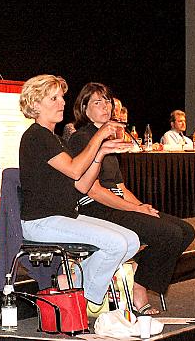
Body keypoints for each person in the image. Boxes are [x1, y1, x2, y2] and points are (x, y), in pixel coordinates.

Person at [68, 82, 195, 314]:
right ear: (84, 108)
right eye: (98, 102)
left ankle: (139, 273)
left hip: (116, 204)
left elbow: (119, 186)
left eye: (107, 101)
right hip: (95, 208)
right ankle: (139, 288)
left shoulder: (109, 137)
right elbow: (92, 190)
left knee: (186, 231)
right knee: (169, 233)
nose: (105, 106)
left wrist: (140, 205)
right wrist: (133, 209)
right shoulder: (82, 139)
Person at [19, 74, 140, 306]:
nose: (62, 103)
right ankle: (82, 301)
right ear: (35, 105)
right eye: (53, 98)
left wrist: (101, 152)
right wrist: (99, 137)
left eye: (62, 97)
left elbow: (81, 185)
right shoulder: (36, 136)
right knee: (116, 244)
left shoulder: (55, 139)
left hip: (63, 217)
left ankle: (72, 281)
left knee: (131, 240)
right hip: (42, 221)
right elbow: (75, 170)